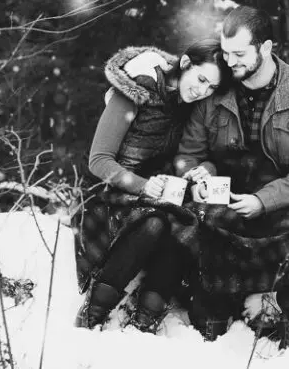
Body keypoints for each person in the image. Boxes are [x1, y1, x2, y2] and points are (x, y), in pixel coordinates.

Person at [173, 6, 289, 354]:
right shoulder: (217, 90)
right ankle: (208, 334)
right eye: (225, 53)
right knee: (205, 226)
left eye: (239, 54)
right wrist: (201, 173)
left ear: (266, 48)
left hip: (288, 196)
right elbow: (188, 155)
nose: (230, 62)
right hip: (226, 194)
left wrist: (264, 200)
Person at [73, 38, 230, 332]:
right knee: (154, 223)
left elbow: (200, 157)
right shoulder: (137, 89)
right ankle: (95, 308)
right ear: (185, 63)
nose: (202, 90)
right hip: (112, 194)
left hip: (161, 195)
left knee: (186, 223)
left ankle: (148, 313)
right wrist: (142, 185)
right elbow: (99, 161)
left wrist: (202, 171)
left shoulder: (191, 105)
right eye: (201, 79)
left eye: (211, 87)